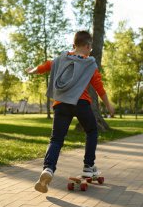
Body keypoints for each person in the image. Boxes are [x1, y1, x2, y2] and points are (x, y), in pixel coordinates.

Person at [26, 31, 115, 193]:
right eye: (90, 48)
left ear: (74, 45)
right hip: (81, 103)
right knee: (92, 130)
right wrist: (108, 105)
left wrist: (33, 70)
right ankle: (88, 166)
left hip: (61, 104)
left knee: (56, 139)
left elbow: (46, 66)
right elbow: (98, 87)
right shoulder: (90, 64)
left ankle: (48, 169)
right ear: (88, 46)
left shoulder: (61, 59)